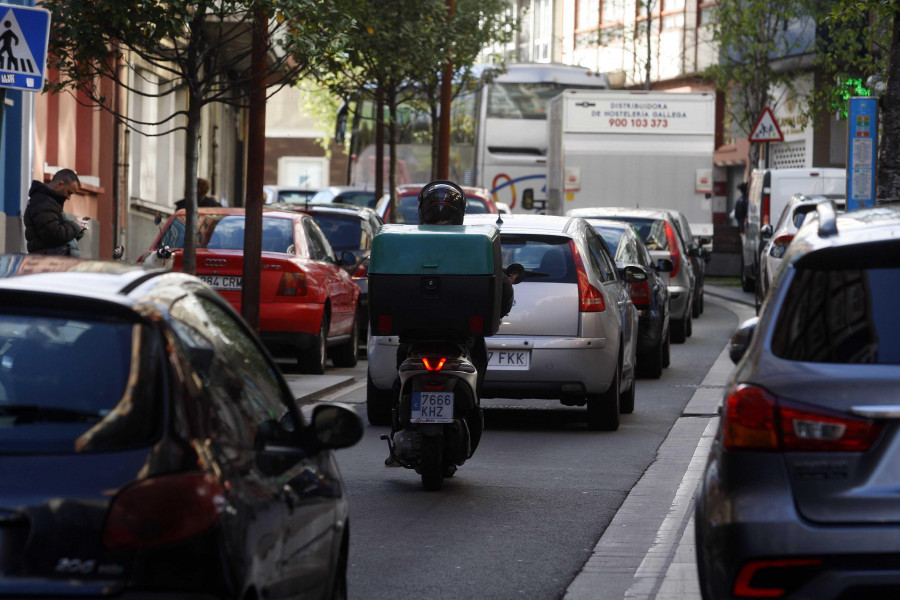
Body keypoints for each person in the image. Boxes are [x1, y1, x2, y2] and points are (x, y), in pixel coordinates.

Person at [389, 180, 522, 465]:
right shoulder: (474, 242)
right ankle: (468, 404)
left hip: (415, 339)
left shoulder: (403, 242)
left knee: (398, 376)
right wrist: (496, 312)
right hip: (462, 339)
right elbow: (503, 289)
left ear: (421, 210)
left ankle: (399, 426)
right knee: (475, 374)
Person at [24, 169, 87, 256]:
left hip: (54, 259)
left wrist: (78, 229)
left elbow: (60, 235)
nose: (69, 198)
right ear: (60, 184)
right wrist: (75, 225)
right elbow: (54, 235)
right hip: (51, 262)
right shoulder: (43, 202)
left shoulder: (51, 202)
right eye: (69, 192)